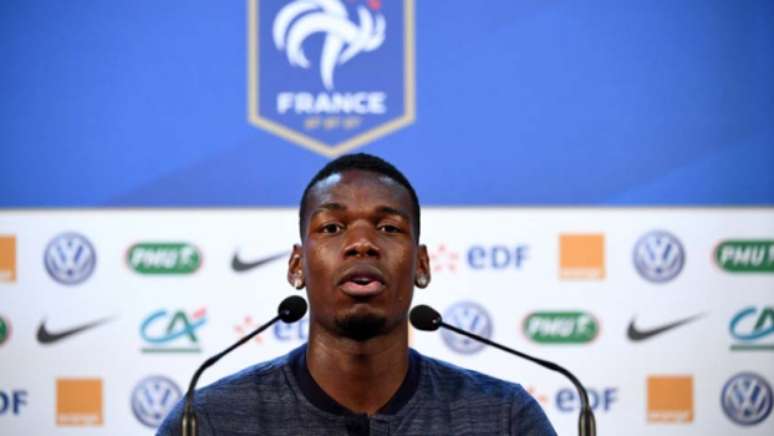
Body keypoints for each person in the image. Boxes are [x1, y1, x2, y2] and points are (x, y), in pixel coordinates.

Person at [157, 153, 556, 435]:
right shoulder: (209, 420)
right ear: (297, 266)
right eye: (332, 228)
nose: (362, 244)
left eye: (389, 228)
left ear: (422, 265)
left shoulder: (503, 417)